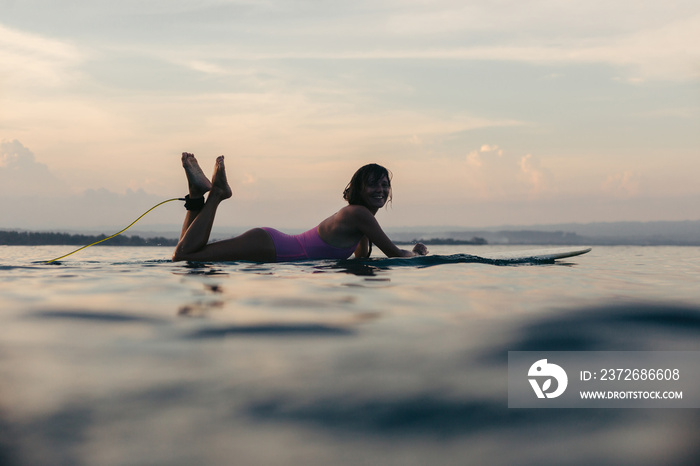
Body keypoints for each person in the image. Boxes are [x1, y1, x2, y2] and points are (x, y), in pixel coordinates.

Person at [172, 153, 428, 262]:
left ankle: (196, 193)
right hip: (271, 247)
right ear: (360, 189)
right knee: (184, 257)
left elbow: (361, 258)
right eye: (373, 185)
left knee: (188, 259)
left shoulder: (358, 219)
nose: (381, 190)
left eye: (384, 185)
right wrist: (417, 254)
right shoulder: (358, 214)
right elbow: (394, 254)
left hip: (272, 246)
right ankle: (216, 194)